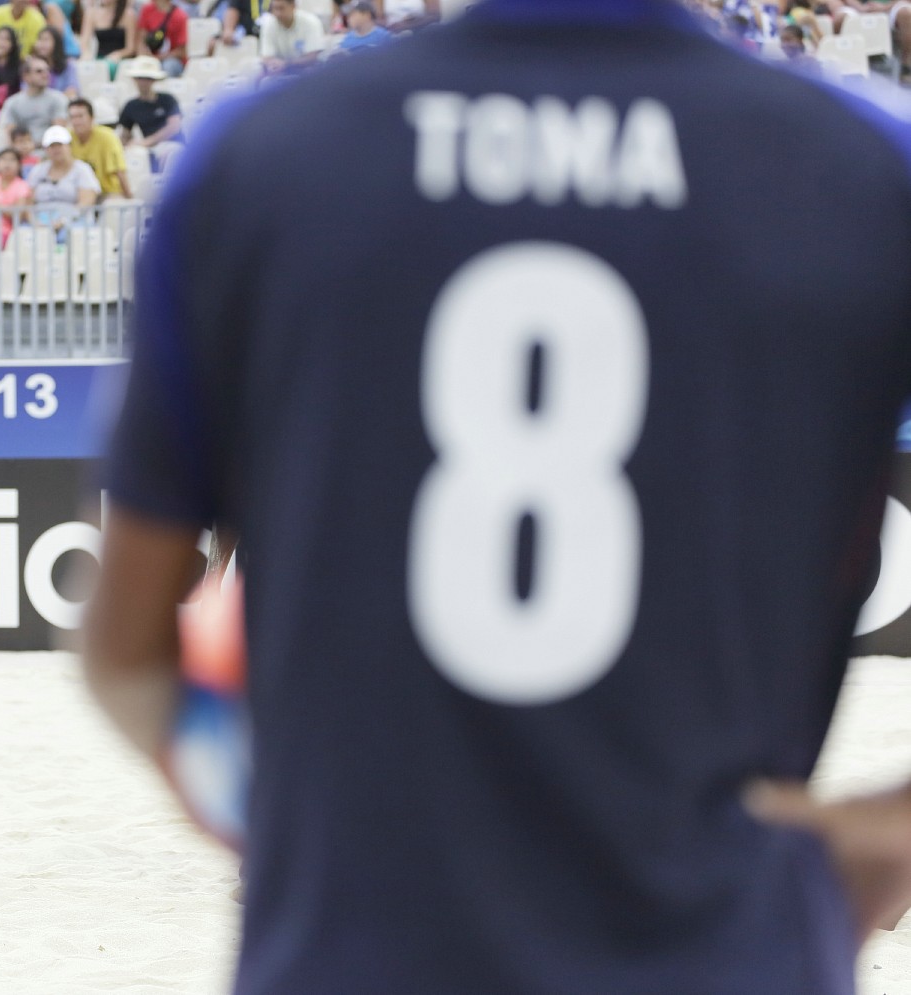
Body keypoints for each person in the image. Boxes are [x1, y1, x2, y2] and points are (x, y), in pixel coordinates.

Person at [83, 0, 911, 991]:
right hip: (720, 946)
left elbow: (125, 650)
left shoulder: (265, 156)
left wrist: (291, 826)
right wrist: (868, 847)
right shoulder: (856, 169)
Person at [116, 56, 181, 165]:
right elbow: (125, 135)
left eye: (148, 78)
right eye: (140, 77)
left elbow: (174, 127)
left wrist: (146, 142)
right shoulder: (131, 106)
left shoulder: (167, 100)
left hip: (172, 145)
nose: (143, 82)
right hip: (148, 150)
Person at [0, 56, 69, 142]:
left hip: (50, 150)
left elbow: (58, 133)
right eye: (39, 71)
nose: (45, 75)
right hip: (22, 151)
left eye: (47, 70)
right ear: (26, 76)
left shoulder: (59, 99)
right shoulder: (13, 102)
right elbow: (10, 134)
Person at [67, 97, 128, 198]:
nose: (76, 121)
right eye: (72, 117)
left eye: (80, 116)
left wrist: (128, 197)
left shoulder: (108, 136)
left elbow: (119, 171)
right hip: (78, 193)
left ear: (92, 117)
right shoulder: (66, 137)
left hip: (106, 193)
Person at [257, 0, 323, 67]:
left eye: (281, 8)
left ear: (293, 6)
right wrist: (273, 63)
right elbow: (266, 56)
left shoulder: (311, 22)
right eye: (275, 9)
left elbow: (312, 57)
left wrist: (286, 64)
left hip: (307, 69)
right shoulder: (268, 24)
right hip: (279, 72)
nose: (278, 13)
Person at [136, 0, 186, 75]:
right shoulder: (147, 9)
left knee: (168, 66)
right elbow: (141, 39)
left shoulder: (180, 16)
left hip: (171, 60)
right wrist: (143, 56)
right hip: (150, 56)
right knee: (138, 65)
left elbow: (181, 52)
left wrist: (157, 58)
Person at [81, 0, 135, 67]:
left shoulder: (128, 14)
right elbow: (84, 42)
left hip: (122, 62)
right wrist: (86, 54)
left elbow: (130, 48)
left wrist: (118, 54)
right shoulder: (91, 13)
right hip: (101, 61)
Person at [33, 25, 79, 96]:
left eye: (46, 40)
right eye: (39, 39)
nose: (41, 44)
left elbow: (72, 91)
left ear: (56, 42)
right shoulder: (32, 66)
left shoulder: (68, 66)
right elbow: (27, 91)